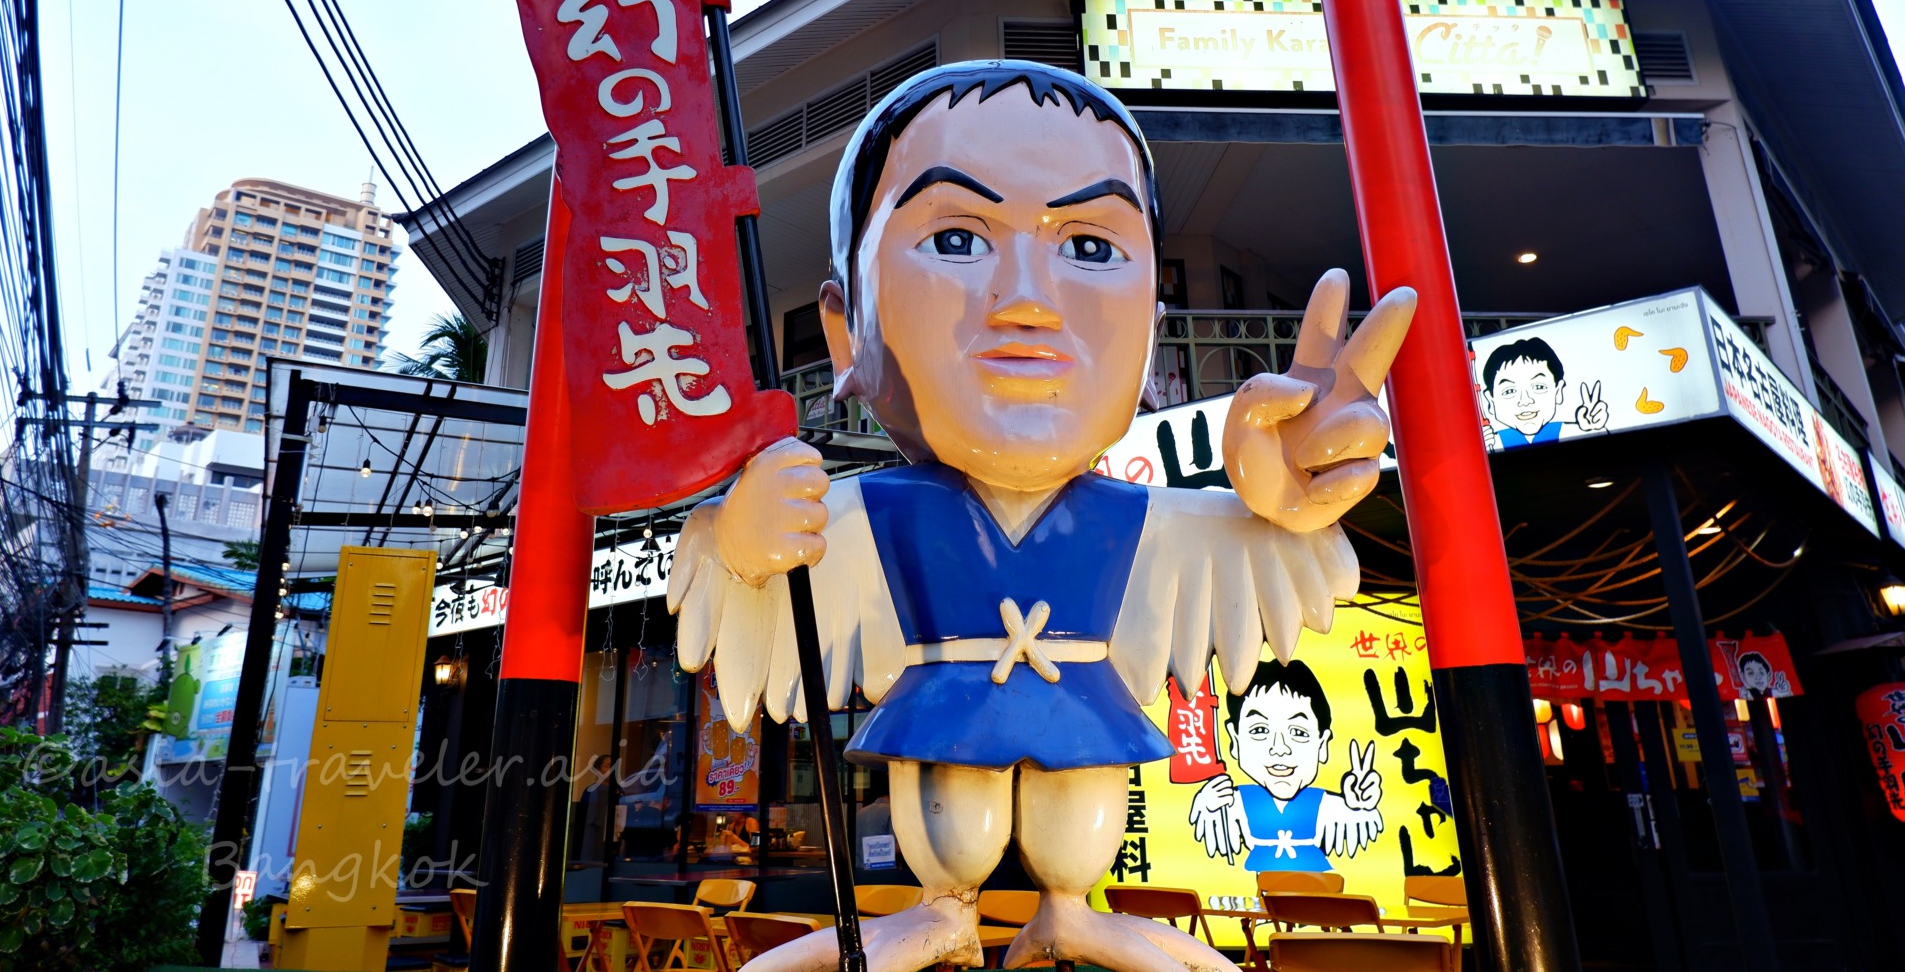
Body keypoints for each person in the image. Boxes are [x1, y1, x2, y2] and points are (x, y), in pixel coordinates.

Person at [669, 61, 1415, 972]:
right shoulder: (873, 515)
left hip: (1082, 701)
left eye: (1090, 247)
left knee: (1078, 796)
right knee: (952, 799)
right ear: (843, 329)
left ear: (1150, 325)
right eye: (956, 238)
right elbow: (741, 589)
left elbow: (1272, 568)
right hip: (944, 703)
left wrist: (1285, 511)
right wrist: (741, 541)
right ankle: (945, 906)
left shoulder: (1141, 520)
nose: (1027, 299)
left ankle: (1072, 908)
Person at [1186, 660, 1382, 870]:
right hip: (1259, 887)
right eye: (1260, 730)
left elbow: (1356, 822)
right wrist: (1206, 804)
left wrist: (1361, 806)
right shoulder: (1239, 801)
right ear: (1235, 740)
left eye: (1298, 732)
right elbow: (1215, 822)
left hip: (1319, 884)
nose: (1279, 748)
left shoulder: (1322, 804)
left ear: (1322, 744)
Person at [1478, 336, 1608, 449]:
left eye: (1538, 387)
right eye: (1510, 391)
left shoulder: (1568, 431)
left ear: (1558, 391)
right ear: (1490, 400)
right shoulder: (1493, 442)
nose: (1525, 401)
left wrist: (1594, 429)